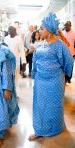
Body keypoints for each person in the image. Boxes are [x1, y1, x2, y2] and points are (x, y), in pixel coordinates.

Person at [29, 12, 74, 140]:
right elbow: (35, 60)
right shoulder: (41, 44)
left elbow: (69, 60)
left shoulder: (60, 45)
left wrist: (64, 74)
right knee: (40, 105)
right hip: (40, 81)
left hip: (55, 82)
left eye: (42, 28)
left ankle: (56, 128)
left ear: (49, 30)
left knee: (54, 106)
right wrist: (35, 74)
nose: (39, 30)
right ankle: (39, 130)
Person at [4, 23, 26, 95]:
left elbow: (22, 52)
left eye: (11, 29)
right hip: (6, 62)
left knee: (15, 78)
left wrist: (24, 63)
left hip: (15, 62)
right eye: (8, 29)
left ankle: (15, 93)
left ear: (15, 30)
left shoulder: (19, 39)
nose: (9, 31)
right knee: (7, 78)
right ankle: (8, 92)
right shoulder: (6, 38)